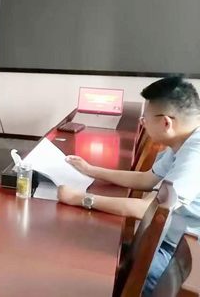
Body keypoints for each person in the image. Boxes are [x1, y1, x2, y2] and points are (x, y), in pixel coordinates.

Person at [57, 77, 200, 295]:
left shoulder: (195, 154)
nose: (142, 124)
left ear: (166, 123)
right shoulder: (184, 140)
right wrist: (91, 170)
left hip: (180, 250)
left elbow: (149, 210)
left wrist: (80, 199)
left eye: (145, 119)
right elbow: (146, 179)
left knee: (86, 268)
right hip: (170, 237)